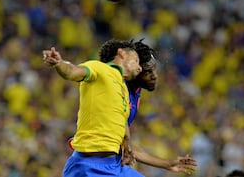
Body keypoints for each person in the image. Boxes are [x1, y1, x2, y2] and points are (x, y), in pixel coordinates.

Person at [43, 39, 142, 177]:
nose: (140, 67)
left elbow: (121, 123)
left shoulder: (123, 90)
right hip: (88, 164)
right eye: (136, 60)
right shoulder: (100, 68)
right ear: (121, 53)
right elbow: (72, 71)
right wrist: (59, 63)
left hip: (113, 165)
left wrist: (126, 146)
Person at [106, 39, 198, 176]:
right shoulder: (118, 92)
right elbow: (117, 140)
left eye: (154, 69)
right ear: (136, 70)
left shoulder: (135, 92)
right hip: (95, 163)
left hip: (109, 163)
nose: (154, 75)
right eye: (148, 71)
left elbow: (126, 145)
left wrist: (167, 164)